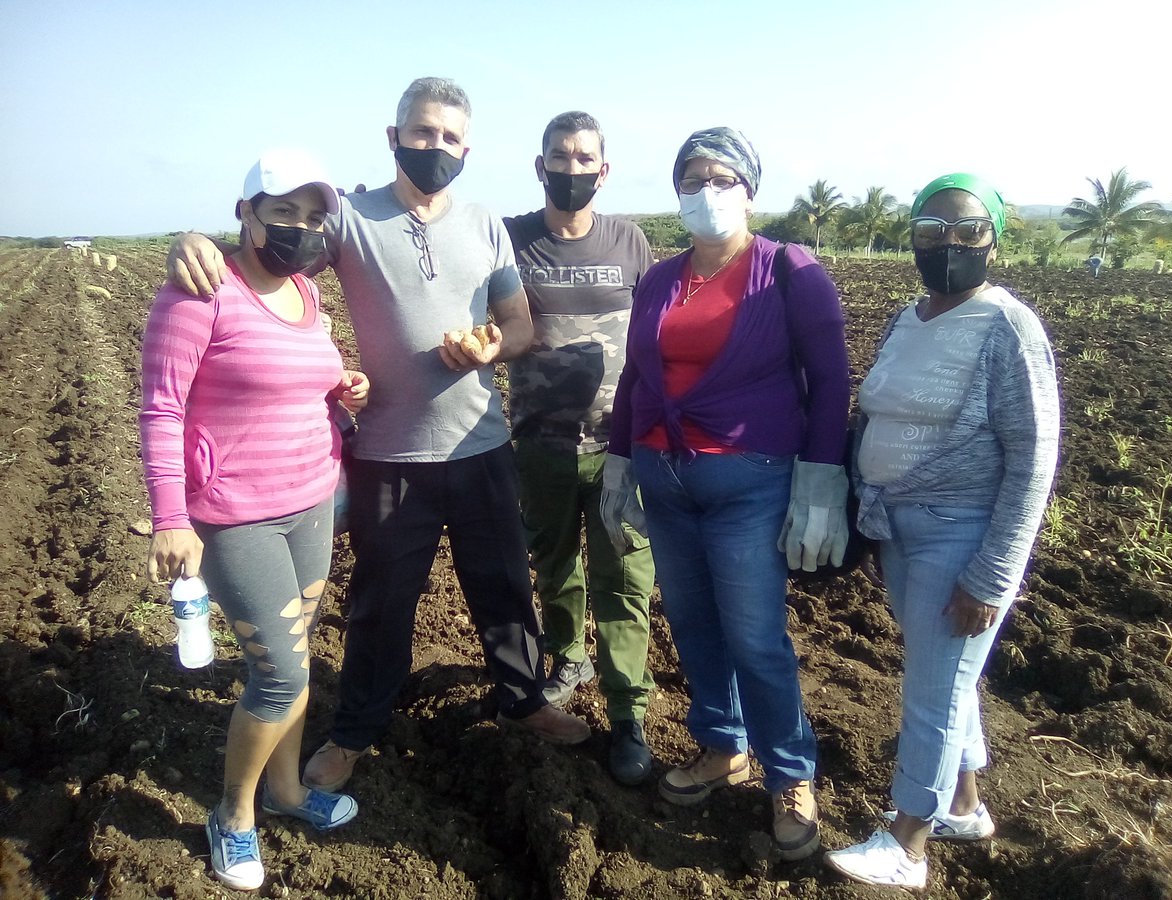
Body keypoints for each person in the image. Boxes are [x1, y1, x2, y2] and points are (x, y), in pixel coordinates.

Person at [166, 78, 591, 799]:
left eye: (451, 138)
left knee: (504, 587)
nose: (437, 148)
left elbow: (520, 324)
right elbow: (269, 250)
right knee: (381, 601)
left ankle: (522, 701)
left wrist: (492, 348)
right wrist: (196, 242)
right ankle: (357, 729)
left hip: (480, 446)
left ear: (468, 148)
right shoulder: (350, 221)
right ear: (393, 139)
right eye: (422, 134)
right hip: (389, 455)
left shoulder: (485, 224)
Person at [602, 127, 851, 859]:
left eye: (721, 178)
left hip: (751, 480)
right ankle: (721, 744)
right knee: (693, 622)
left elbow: (831, 378)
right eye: (691, 178)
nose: (705, 191)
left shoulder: (788, 269)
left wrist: (821, 479)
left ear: (748, 188)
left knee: (753, 633)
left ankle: (790, 772)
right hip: (665, 476)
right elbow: (635, 376)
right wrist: (619, 463)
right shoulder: (661, 276)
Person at [823, 174, 1060, 890]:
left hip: (958, 533)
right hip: (898, 528)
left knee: (934, 690)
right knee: (949, 677)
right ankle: (963, 806)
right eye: (931, 232)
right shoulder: (908, 316)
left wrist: (992, 574)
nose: (948, 246)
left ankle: (908, 842)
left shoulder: (1008, 328)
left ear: (993, 239)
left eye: (966, 232)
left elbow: (1033, 457)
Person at [141, 150, 369, 891]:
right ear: (245, 213)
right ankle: (234, 815)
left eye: (311, 216)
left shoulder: (306, 292)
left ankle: (289, 792)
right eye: (282, 212)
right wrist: (171, 519)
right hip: (236, 519)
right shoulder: (198, 294)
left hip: (311, 502)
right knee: (281, 675)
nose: (299, 228)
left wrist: (345, 390)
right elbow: (162, 410)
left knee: (294, 659)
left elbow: (304, 384)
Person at [504, 112, 657, 786]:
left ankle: (628, 711)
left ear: (604, 168)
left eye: (584, 157)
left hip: (621, 446)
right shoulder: (508, 241)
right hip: (541, 443)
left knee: (624, 578)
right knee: (554, 563)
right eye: (560, 157)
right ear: (540, 166)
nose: (572, 168)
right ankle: (569, 656)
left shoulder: (629, 243)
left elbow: (657, 337)